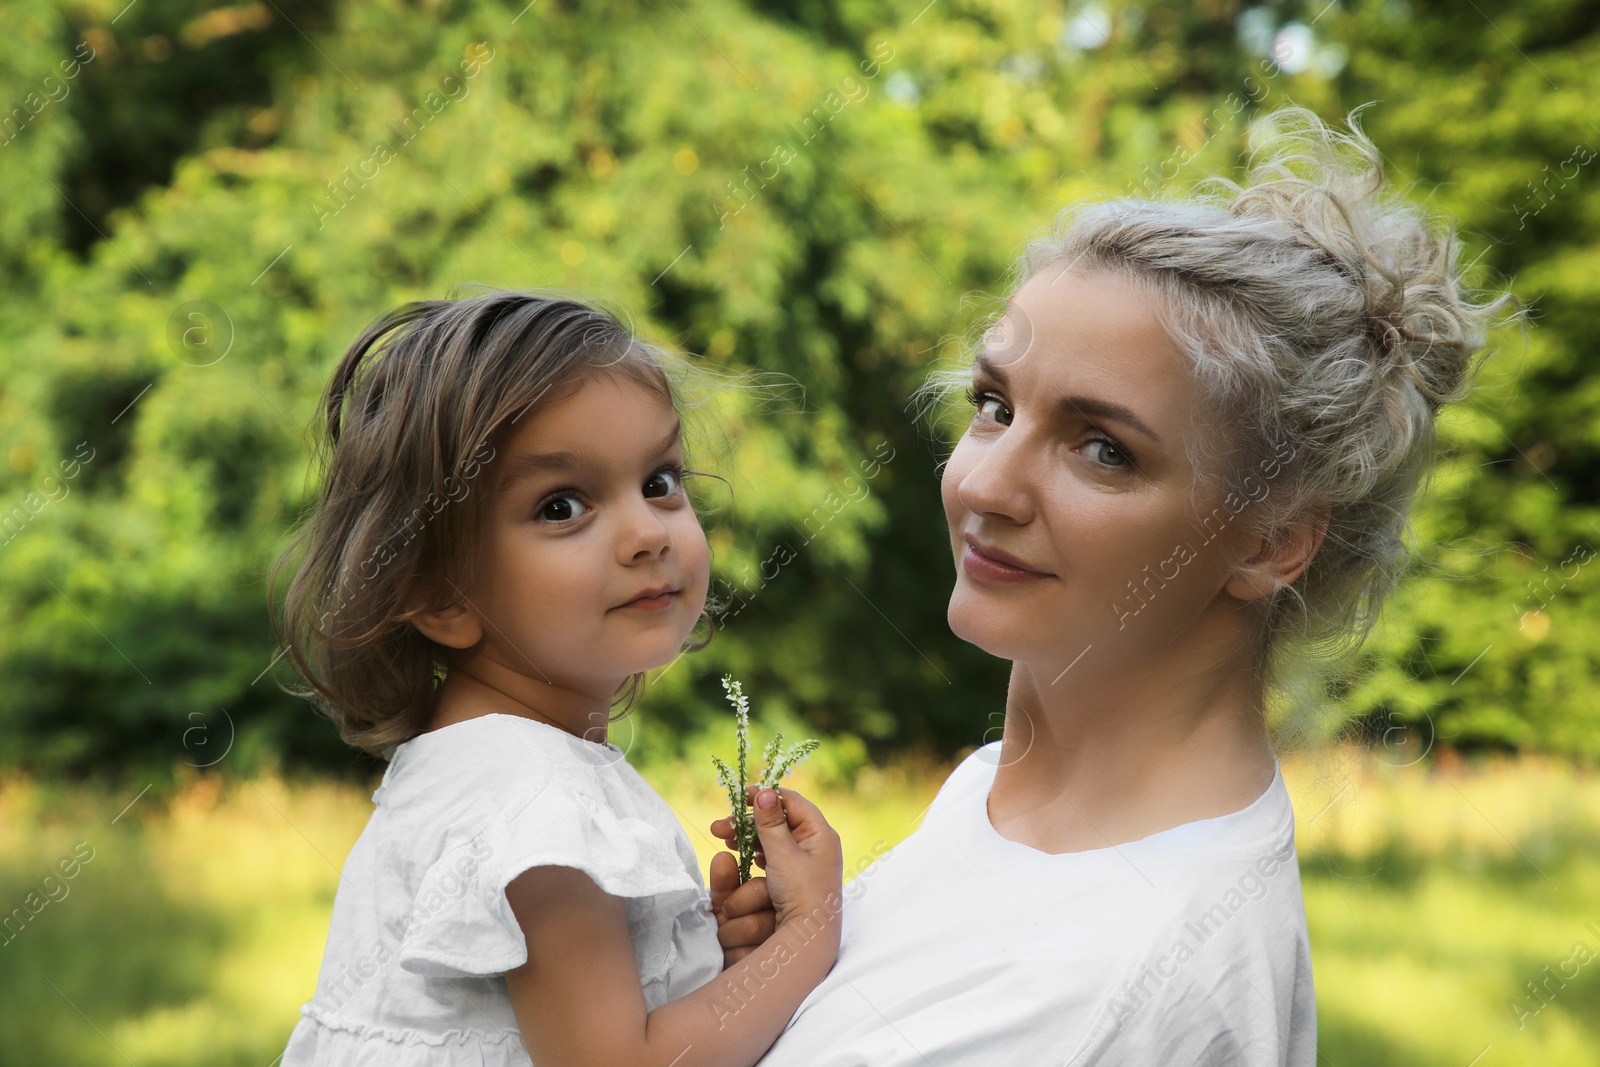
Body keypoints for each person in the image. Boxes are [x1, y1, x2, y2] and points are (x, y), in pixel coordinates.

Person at [710, 105, 1517, 1065]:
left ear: (1271, 540)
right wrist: (777, 981)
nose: (986, 484)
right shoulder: (998, 800)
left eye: (1104, 449)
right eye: (994, 406)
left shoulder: (1131, 981)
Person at [269, 289, 844, 1067]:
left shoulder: (482, 764)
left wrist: (710, 964)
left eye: (660, 481)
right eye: (562, 505)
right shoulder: (535, 798)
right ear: (436, 591)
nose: (647, 532)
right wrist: (810, 933)